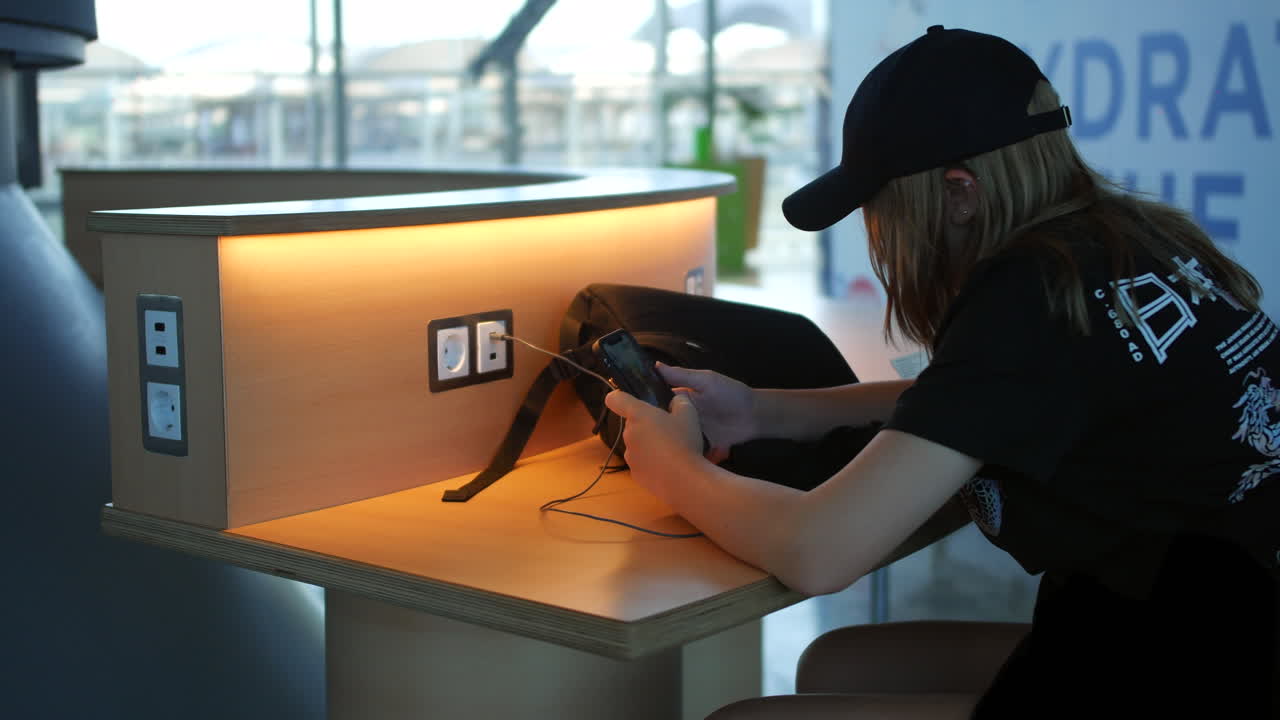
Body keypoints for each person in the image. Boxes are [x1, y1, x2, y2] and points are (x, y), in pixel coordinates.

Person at [603, 25, 1279, 718]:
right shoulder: (1119, 240)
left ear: (959, 193)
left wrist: (673, 469)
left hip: (1196, 662)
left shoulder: (1031, 293)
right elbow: (974, 400)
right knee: (838, 661)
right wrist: (763, 411)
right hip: (1201, 610)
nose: (880, 234)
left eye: (881, 207)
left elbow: (817, 552)